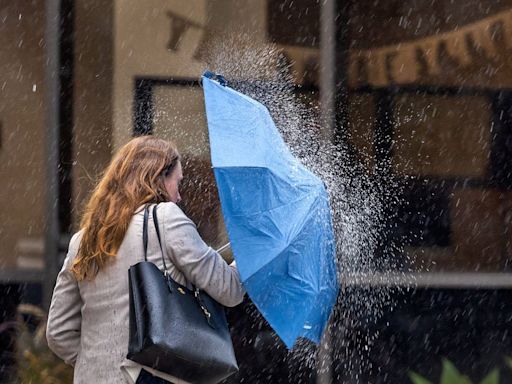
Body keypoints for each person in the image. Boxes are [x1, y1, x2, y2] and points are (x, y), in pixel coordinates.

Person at [46, 136, 245, 384]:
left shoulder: (83, 239)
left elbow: (58, 332)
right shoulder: (166, 218)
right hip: (148, 375)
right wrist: (249, 255)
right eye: (177, 183)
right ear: (158, 178)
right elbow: (229, 290)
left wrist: (99, 362)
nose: (179, 196)